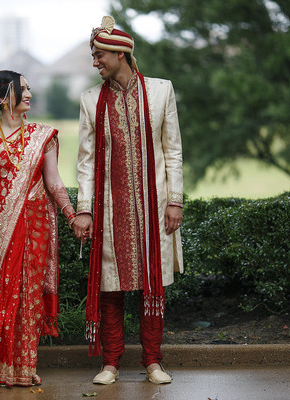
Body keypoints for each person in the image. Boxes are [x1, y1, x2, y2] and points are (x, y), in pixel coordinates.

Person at [72, 16, 184, 385]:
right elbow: (85, 161)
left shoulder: (161, 91)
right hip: (110, 209)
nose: (95, 62)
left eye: (99, 54)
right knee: (110, 285)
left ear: (121, 53)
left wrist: (175, 201)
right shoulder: (90, 101)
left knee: (152, 284)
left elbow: (173, 152)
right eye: (94, 55)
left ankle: (153, 362)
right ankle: (111, 363)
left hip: (153, 209)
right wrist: (85, 209)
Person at [0, 70, 76, 387]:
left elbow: (53, 181)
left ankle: (25, 367)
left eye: (29, 89)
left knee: (29, 295)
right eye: (23, 89)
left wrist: (70, 214)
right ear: (4, 97)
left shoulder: (44, 136)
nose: (29, 93)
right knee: (5, 296)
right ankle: (4, 367)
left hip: (36, 224)